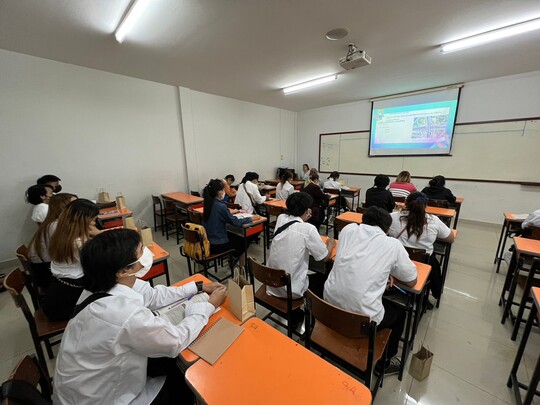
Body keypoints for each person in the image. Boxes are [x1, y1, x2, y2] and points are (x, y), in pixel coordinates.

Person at [53, 229, 227, 405]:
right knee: (183, 379)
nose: (146, 254)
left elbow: (153, 295)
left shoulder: (103, 284)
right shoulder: (121, 313)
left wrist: (197, 287)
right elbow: (175, 341)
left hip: (86, 385)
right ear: (122, 270)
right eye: (141, 251)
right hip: (99, 399)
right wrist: (209, 306)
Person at [324, 206, 417, 375]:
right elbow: (412, 281)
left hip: (328, 307)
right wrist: (389, 271)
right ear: (387, 229)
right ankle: (385, 363)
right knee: (400, 312)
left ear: (363, 219)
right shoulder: (393, 245)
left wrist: (385, 271)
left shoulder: (348, 230)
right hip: (363, 322)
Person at [388, 191, 455, 304]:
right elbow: (451, 238)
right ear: (426, 205)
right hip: (423, 262)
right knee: (434, 264)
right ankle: (425, 296)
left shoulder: (393, 217)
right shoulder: (433, 220)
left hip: (396, 260)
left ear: (406, 203)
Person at [42, 199, 103, 321]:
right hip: (67, 303)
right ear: (83, 220)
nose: (94, 223)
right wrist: (100, 235)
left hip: (56, 294)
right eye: (93, 219)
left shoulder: (62, 234)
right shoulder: (79, 243)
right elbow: (102, 261)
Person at [267, 192, 336, 299]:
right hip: (291, 290)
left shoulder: (281, 218)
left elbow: (294, 224)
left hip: (272, 284)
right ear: (307, 210)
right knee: (325, 278)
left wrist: (302, 218)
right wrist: (330, 244)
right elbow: (324, 258)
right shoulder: (309, 229)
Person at [28, 193, 78, 291]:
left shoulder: (57, 221)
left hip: (48, 263)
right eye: (75, 204)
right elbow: (70, 248)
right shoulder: (56, 225)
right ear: (63, 207)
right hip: (45, 270)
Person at [202, 179, 256, 267]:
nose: (225, 192)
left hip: (208, 241)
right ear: (219, 192)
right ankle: (235, 256)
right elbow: (236, 222)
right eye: (223, 190)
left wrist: (228, 213)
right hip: (217, 245)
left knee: (234, 235)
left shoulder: (208, 203)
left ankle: (234, 257)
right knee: (245, 238)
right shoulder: (221, 206)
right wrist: (251, 218)